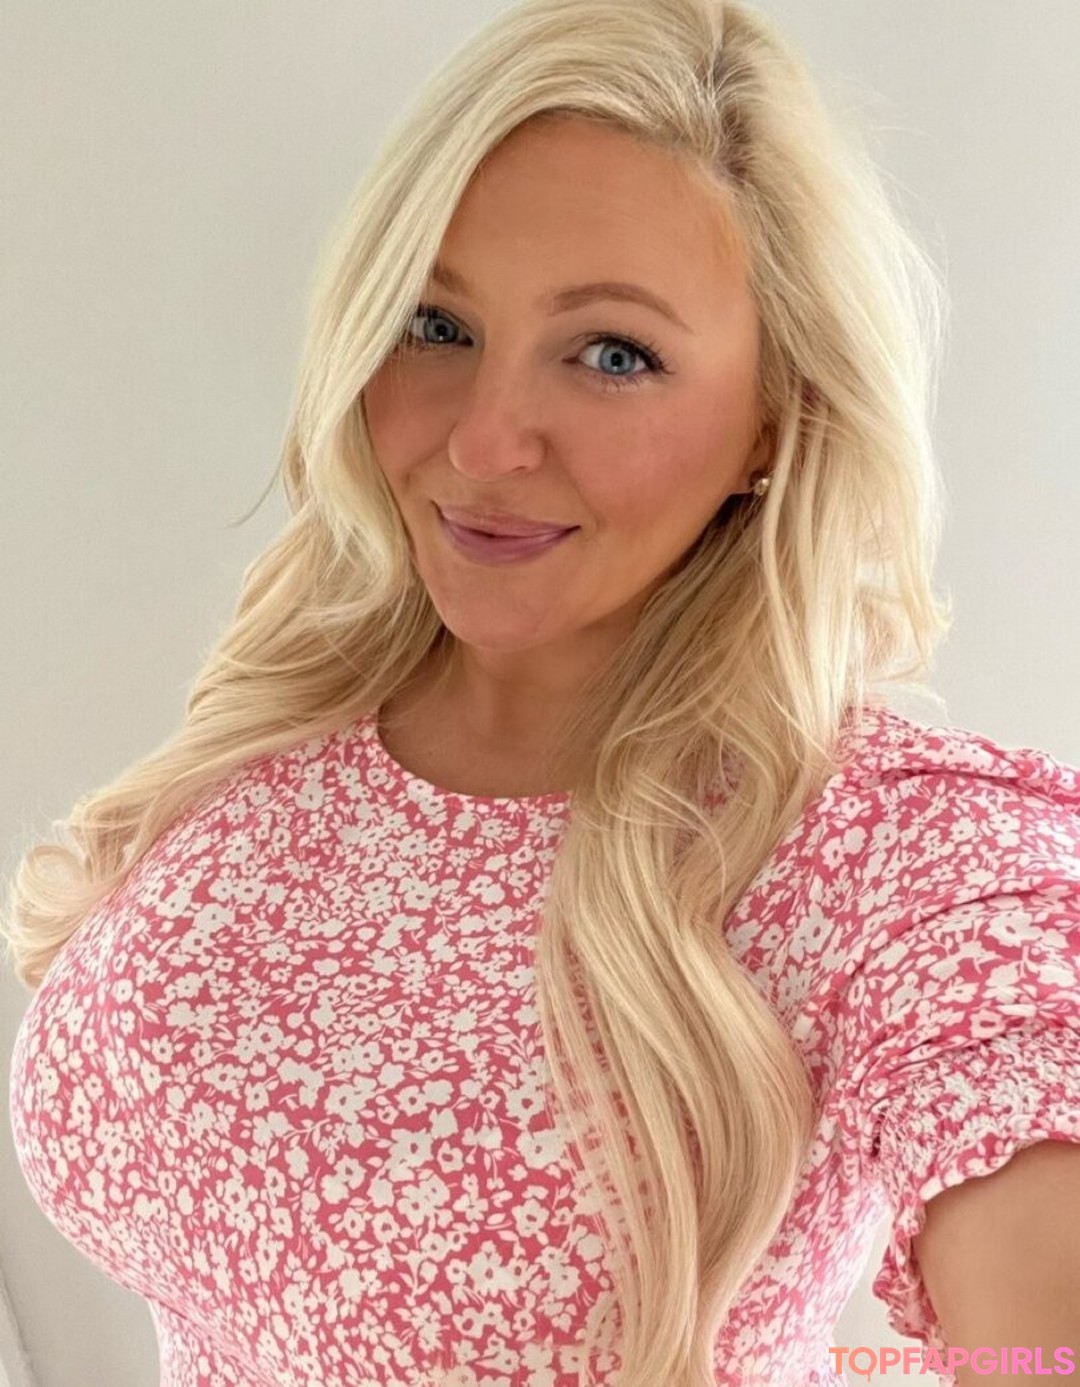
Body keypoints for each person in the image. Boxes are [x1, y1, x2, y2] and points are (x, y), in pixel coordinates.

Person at [5, 0, 1079, 1384]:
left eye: (613, 354)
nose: (484, 443)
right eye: (435, 323)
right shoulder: (293, 711)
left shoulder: (898, 857)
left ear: (777, 417)